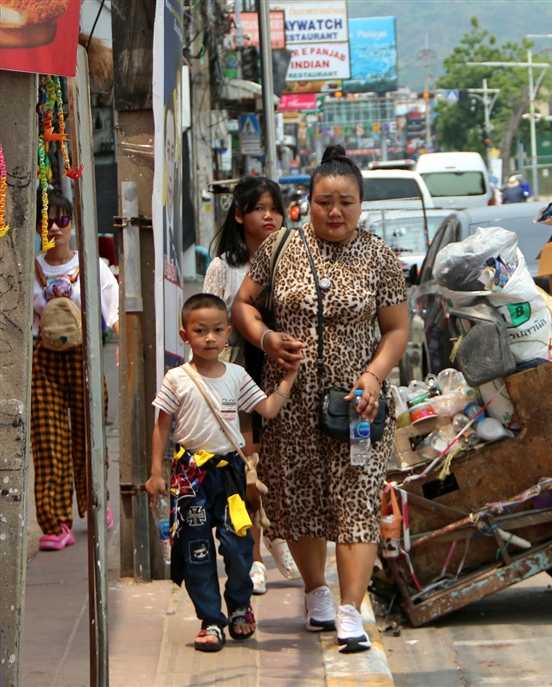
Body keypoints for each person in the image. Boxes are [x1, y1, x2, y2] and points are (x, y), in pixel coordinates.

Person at [231, 145, 409, 654]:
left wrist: (374, 376)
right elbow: (242, 303)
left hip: (358, 402)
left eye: (347, 202)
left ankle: (351, 610)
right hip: (290, 399)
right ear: (305, 203)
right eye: (324, 201)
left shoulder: (379, 256)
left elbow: (397, 329)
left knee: (356, 501)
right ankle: (317, 595)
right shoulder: (279, 248)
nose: (336, 211)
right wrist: (266, 339)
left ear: (361, 205)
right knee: (302, 501)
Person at [145, 293, 299, 652]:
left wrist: (288, 379)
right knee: (196, 549)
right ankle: (211, 620)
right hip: (189, 476)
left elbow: (268, 408)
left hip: (229, 474)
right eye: (201, 331)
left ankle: (241, 607)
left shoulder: (237, 375)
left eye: (217, 330)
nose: (210, 338)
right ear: (185, 336)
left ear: (229, 332)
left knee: (238, 546)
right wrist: (157, 472)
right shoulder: (176, 379)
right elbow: (162, 427)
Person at [204, 176, 301, 595]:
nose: (269, 216)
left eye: (275, 208)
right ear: (239, 214)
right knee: (247, 471)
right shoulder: (224, 267)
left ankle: (279, 533)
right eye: (259, 208)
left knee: (283, 466)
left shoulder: (296, 258)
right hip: (240, 377)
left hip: (284, 373)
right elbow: (205, 323)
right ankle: (255, 557)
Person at [31, 188, 119, 551]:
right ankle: (55, 523)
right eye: (48, 220)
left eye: (62, 219)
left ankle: (96, 504)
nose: (55, 226)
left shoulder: (93, 264)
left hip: (86, 357)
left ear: (72, 223)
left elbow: (112, 306)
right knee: (49, 442)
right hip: (44, 362)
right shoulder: (31, 268)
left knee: (90, 436)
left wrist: (120, 344)